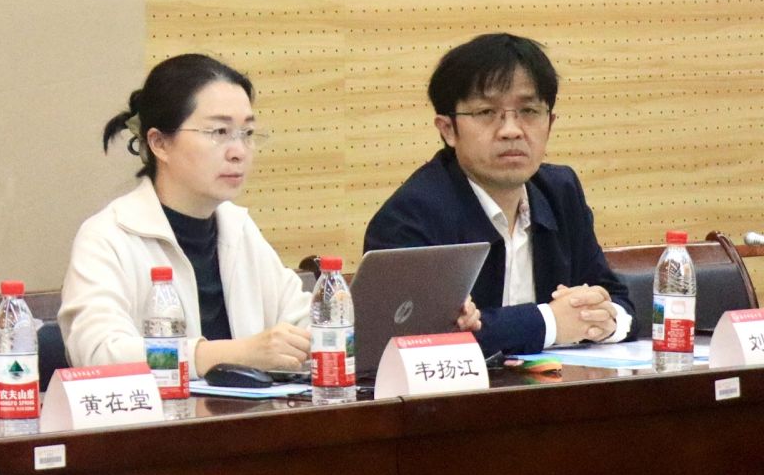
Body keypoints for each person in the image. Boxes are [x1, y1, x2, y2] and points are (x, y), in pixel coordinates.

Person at [364, 32, 633, 357]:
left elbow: (618, 299)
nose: (511, 130)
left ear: (550, 123)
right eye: (486, 113)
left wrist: (606, 321)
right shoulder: (411, 215)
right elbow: (411, 341)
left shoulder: (560, 192)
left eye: (529, 111)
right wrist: (550, 322)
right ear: (448, 130)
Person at [60, 55, 312, 373]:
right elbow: (99, 354)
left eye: (247, 133)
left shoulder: (239, 228)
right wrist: (235, 353)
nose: (238, 152)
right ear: (160, 143)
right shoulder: (108, 236)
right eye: (219, 132)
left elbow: (308, 323)